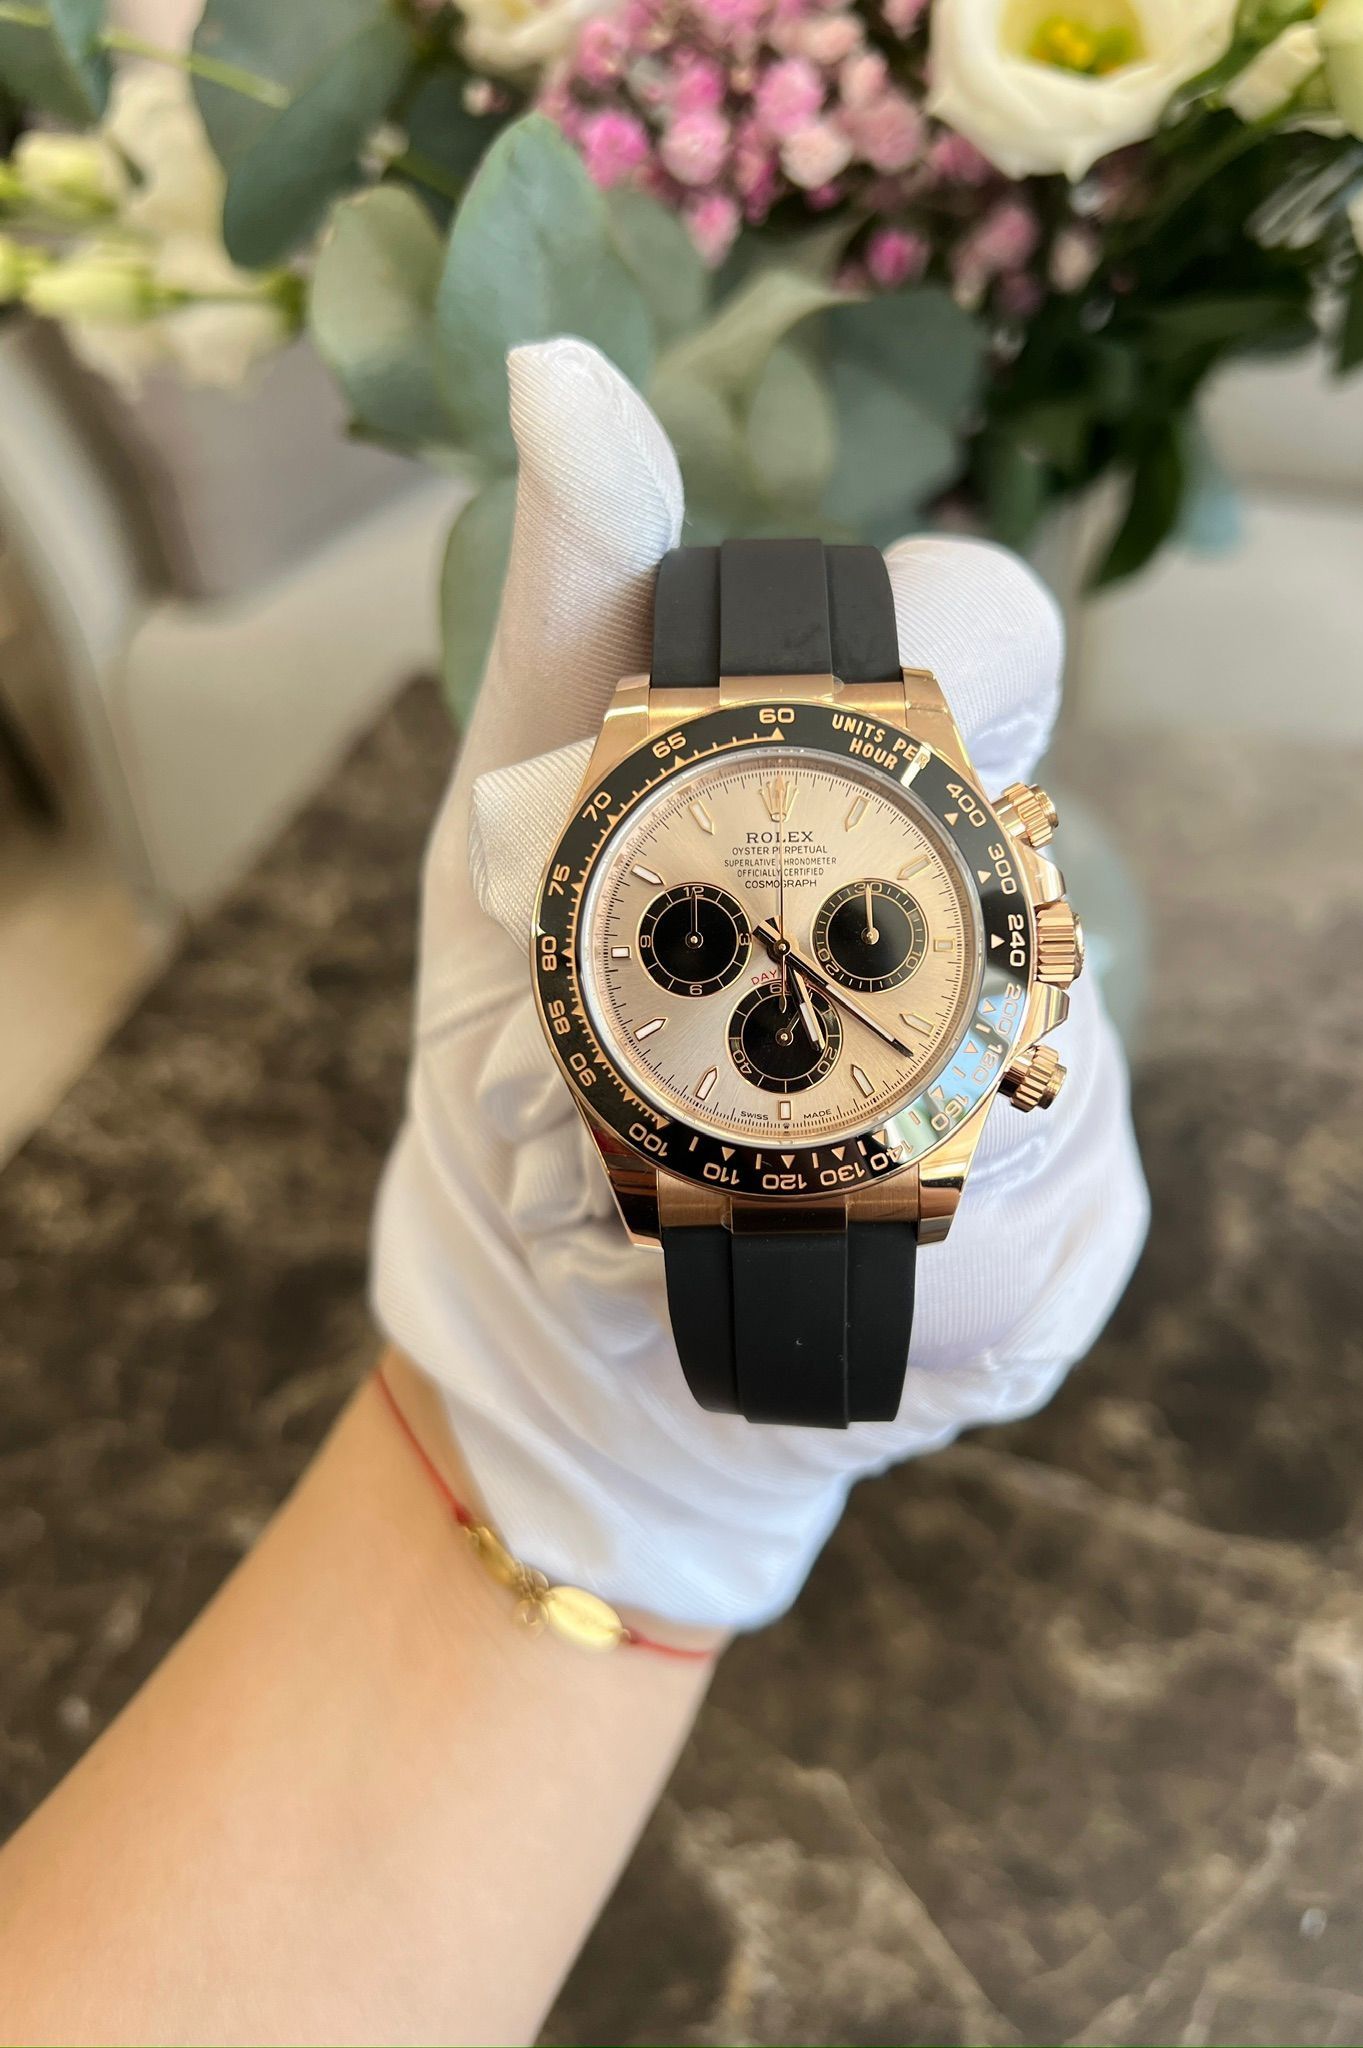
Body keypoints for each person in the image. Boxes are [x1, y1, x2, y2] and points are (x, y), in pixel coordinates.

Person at [0, 340, 1148, 2047]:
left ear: (1020, 935)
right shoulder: (601, 1066)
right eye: (698, 941)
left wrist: (609, 1467)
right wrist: (616, 1472)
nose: (782, 963)